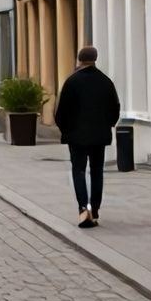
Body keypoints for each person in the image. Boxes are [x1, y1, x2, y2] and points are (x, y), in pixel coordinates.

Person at [53, 47, 121, 229]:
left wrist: (66, 129)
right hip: (99, 136)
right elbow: (115, 108)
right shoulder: (106, 82)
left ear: (79, 60)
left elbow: (61, 112)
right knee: (97, 171)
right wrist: (107, 125)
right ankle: (95, 210)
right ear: (95, 59)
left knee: (79, 171)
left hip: (76, 136)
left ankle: (84, 209)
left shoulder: (72, 82)